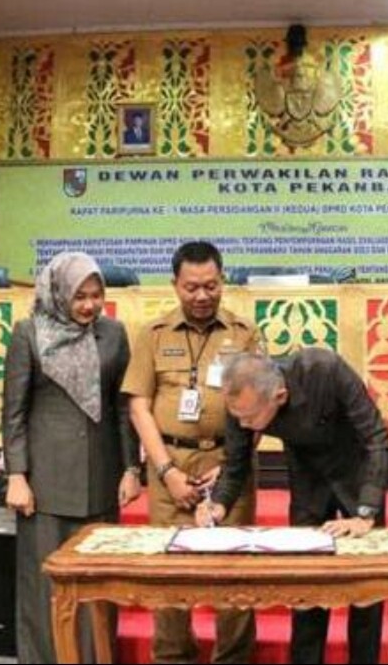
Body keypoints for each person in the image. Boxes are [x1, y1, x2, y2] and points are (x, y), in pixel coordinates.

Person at [202, 348, 388, 665]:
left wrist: (366, 512)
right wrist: (218, 504)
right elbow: (236, 462)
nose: (243, 424)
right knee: (306, 589)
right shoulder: (241, 398)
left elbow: (377, 439)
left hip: (357, 473)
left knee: (366, 590)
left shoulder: (325, 369)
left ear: (279, 396)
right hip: (307, 477)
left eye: (250, 418)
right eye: (238, 417)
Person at [124, 240, 260, 664]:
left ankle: (233, 658)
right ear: (175, 285)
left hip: (228, 466)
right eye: (191, 287)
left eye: (211, 286)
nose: (202, 295)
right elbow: (139, 406)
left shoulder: (244, 334)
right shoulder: (152, 335)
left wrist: (231, 467)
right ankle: (173, 656)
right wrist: (166, 471)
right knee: (169, 577)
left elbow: (260, 408)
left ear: (223, 281)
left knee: (234, 576)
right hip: (171, 465)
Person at [2, 251, 140, 664]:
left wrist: (131, 468)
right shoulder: (28, 334)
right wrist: (17, 475)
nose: (90, 305)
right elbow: (13, 412)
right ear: (59, 293)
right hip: (45, 486)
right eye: (80, 296)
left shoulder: (113, 334)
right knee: (45, 589)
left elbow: (122, 409)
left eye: (96, 296)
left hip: (101, 479)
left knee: (99, 588)